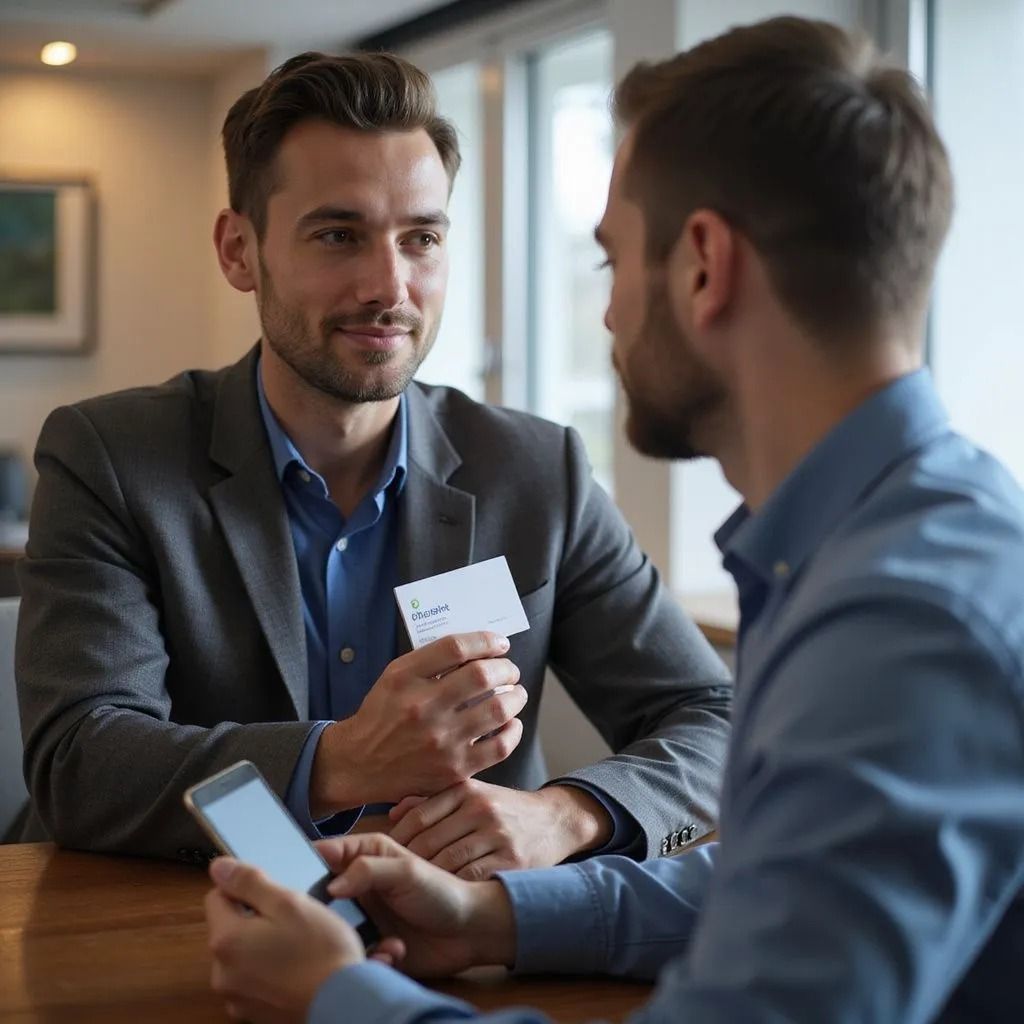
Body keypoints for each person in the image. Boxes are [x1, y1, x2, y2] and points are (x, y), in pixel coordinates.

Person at [203, 15, 1024, 1024]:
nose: (603, 316)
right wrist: (498, 915)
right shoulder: (890, 547)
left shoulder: (899, 618)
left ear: (702, 268)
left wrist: (336, 996)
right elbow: (769, 891)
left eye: (609, 262)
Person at [13, 51, 731, 871]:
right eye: (338, 235)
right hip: (173, 920)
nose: (389, 285)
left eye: (420, 237)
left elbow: (714, 715)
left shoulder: (537, 470)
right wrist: (344, 761)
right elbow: (81, 763)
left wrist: (570, 817)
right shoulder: (111, 458)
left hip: (462, 943)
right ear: (239, 251)